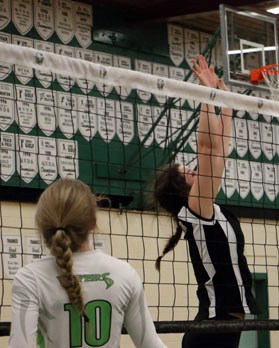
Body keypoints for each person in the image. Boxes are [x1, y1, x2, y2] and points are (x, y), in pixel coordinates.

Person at [153, 54, 257, 348]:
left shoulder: (208, 208)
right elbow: (207, 147)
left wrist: (223, 98)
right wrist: (205, 94)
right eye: (185, 172)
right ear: (182, 191)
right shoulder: (196, 209)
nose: (191, 168)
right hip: (212, 330)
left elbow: (220, 147)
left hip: (222, 327)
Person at [9, 179, 167, 348]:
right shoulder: (124, 273)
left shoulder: (29, 278)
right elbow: (150, 344)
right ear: (92, 222)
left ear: (43, 225)